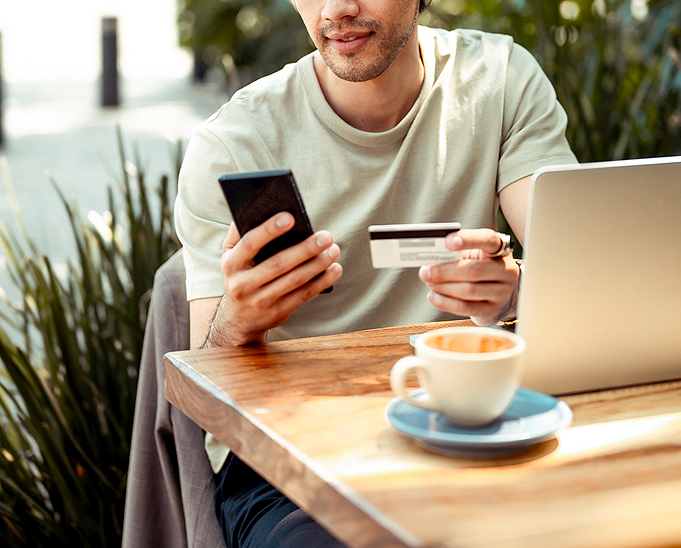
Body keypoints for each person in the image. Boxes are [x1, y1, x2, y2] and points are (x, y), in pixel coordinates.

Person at [174, 0, 577, 545]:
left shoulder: (498, 81)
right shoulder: (236, 141)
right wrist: (238, 321)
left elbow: (574, 273)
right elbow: (206, 382)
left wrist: (516, 291)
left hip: (465, 422)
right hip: (290, 464)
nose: (337, 9)